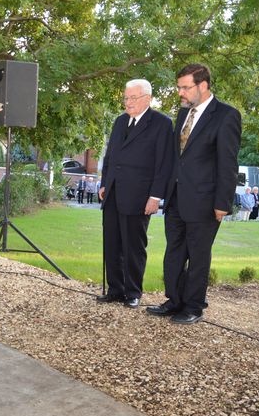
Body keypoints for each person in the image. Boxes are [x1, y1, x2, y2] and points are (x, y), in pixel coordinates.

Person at [146, 63, 241, 325]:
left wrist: (222, 203)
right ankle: (174, 301)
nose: (180, 92)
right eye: (179, 87)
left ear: (203, 85)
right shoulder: (182, 114)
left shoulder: (226, 115)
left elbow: (228, 164)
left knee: (198, 256)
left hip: (205, 201)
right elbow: (177, 158)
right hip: (176, 197)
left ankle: (194, 307)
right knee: (174, 252)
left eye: (185, 87)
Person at [97, 79, 173, 309]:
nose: (127, 102)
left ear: (147, 99)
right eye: (126, 98)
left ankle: (132, 292)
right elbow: (110, 156)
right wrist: (104, 183)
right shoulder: (120, 121)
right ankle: (115, 290)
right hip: (112, 193)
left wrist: (155, 197)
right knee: (112, 244)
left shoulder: (161, 123)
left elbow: (164, 163)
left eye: (133, 98)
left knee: (133, 247)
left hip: (139, 197)